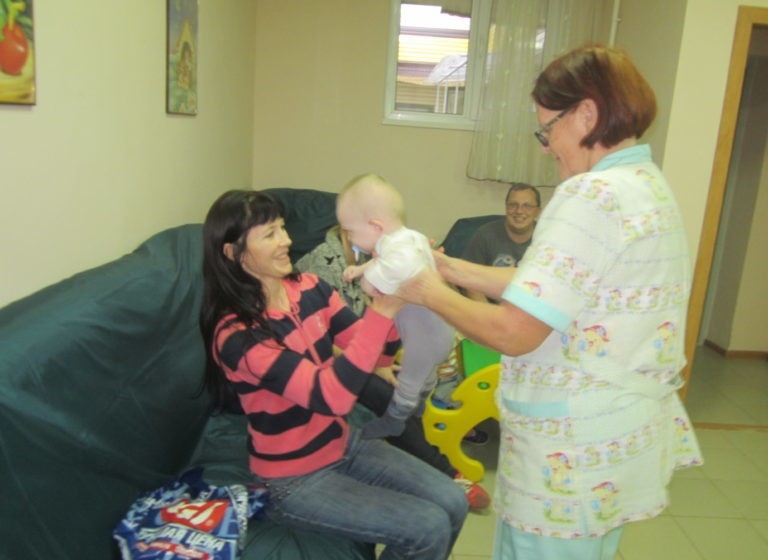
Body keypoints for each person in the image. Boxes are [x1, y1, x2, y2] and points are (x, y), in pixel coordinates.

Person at [396, 45, 703, 560]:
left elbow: (515, 332)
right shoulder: (647, 187)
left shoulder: (589, 196)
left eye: (547, 130)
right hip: (616, 441)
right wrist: (449, 269)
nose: (545, 147)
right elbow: (551, 283)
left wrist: (426, 291)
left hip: (571, 454)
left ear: (587, 114)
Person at [200, 189, 468, 559]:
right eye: (270, 234)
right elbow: (332, 397)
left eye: (282, 228)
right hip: (293, 479)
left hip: (343, 444)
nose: (286, 240)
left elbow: (377, 351)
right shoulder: (237, 336)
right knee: (428, 527)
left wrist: (404, 290)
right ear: (232, 253)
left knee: (454, 500)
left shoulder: (309, 287)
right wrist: (383, 309)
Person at [296, 224, 492, 512]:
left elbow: (353, 323)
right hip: (325, 356)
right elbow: (320, 339)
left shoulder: (369, 255)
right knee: (388, 395)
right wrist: (369, 363)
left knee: (408, 370)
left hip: (359, 341)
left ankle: (425, 459)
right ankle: (446, 472)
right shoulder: (324, 263)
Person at [336, 173, 455, 441]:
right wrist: (360, 268)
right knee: (424, 377)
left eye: (351, 231)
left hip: (426, 337)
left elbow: (376, 282)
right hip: (438, 329)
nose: (350, 239)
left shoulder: (399, 254)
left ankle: (395, 421)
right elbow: (385, 261)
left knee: (408, 385)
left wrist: (365, 280)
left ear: (375, 227)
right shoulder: (408, 238)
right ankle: (421, 404)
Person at [462, 183, 542, 303]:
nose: (519, 211)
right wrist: (487, 312)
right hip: (490, 307)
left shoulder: (547, 239)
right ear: (506, 207)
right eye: (513, 205)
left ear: (537, 211)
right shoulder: (485, 234)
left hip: (532, 309)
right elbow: (469, 280)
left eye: (527, 206)